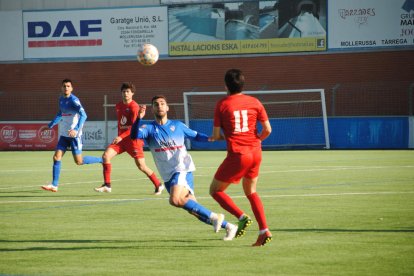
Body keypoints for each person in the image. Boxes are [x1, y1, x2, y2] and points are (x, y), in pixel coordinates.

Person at [130, 95, 238, 241]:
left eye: (162, 103)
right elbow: (134, 135)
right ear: (152, 109)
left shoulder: (178, 125)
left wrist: (213, 137)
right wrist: (138, 118)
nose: (159, 106)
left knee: (174, 200)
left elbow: (196, 136)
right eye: (156, 104)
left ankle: (216, 217)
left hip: (181, 168)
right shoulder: (148, 128)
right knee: (193, 209)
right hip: (168, 175)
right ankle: (230, 226)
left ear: (167, 107)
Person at [209, 69, 273, 246]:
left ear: (225, 86)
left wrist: (220, 137)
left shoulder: (222, 104)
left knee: (215, 190)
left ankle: (241, 217)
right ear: (243, 84)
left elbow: (215, 135)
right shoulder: (255, 102)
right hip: (256, 152)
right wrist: (255, 141)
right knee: (251, 192)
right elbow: (268, 130)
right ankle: (264, 230)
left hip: (239, 155)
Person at [94, 82, 163, 194]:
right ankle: (107, 185)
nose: (125, 93)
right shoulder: (118, 105)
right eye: (124, 91)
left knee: (141, 166)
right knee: (106, 156)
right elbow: (122, 124)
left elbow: (133, 127)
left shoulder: (134, 107)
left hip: (133, 141)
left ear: (132, 93)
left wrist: (121, 136)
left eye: (128, 92)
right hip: (121, 141)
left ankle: (158, 185)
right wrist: (120, 136)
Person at [41, 79, 103, 192]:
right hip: (64, 135)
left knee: (79, 162)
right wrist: (50, 125)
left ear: (71, 88)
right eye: (64, 86)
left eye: (68, 86)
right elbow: (60, 114)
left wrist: (75, 129)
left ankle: (101, 159)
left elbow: (84, 115)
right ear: (61, 88)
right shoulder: (61, 99)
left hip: (75, 136)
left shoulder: (74, 100)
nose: (66, 88)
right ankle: (54, 185)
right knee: (56, 157)